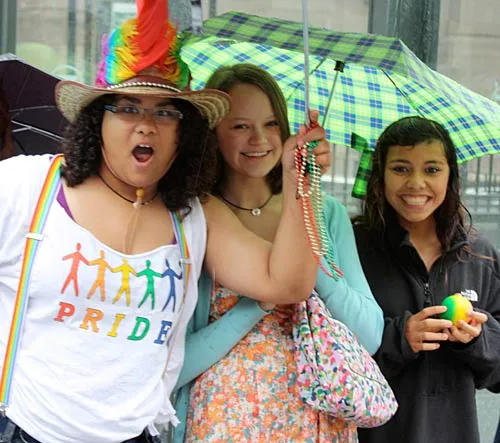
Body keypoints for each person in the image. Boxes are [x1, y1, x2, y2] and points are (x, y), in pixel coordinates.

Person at [0, 4, 331, 443]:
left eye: (165, 112)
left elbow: (286, 283)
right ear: (98, 119)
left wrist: (300, 183)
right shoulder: (26, 187)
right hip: (26, 430)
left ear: (183, 131)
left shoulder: (192, 214)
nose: (146, 126)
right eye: (127, 108)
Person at [172, 63, 384, 443]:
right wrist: (260, 302)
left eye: (271, 124)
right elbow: (174, 365)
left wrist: (306, 244)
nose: (259, 139)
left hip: (316, 425)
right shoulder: (197, 217)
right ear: (213, 133)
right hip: (223, 426)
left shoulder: (325, 212)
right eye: (240, 126)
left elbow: (369, 335)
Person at [352, 116, 500, 443]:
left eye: (432, 169)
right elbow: (327, 357)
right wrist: (399, 338)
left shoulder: (480, 255)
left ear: (451, 175)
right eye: (400, 168)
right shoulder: (353, 248)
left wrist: (478, 339)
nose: (416, 183)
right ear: (380, 175)